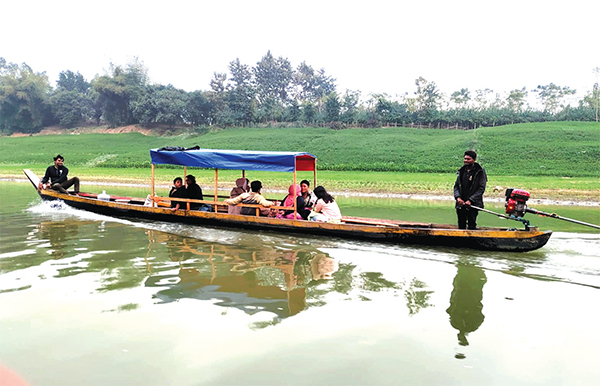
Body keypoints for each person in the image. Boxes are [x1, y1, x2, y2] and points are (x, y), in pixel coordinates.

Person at [453, 150, 487, 230]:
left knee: (471, 225)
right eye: (465, 159)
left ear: (474, 160)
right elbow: (456, 186)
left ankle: (472, 240)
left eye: (468, 159)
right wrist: (458, 198)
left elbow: (481, 189)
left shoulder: (480, 172)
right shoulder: (461, 171)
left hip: (473, 204)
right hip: (461, 203)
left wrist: (470, 200)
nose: (466, 161)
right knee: (461, 225)